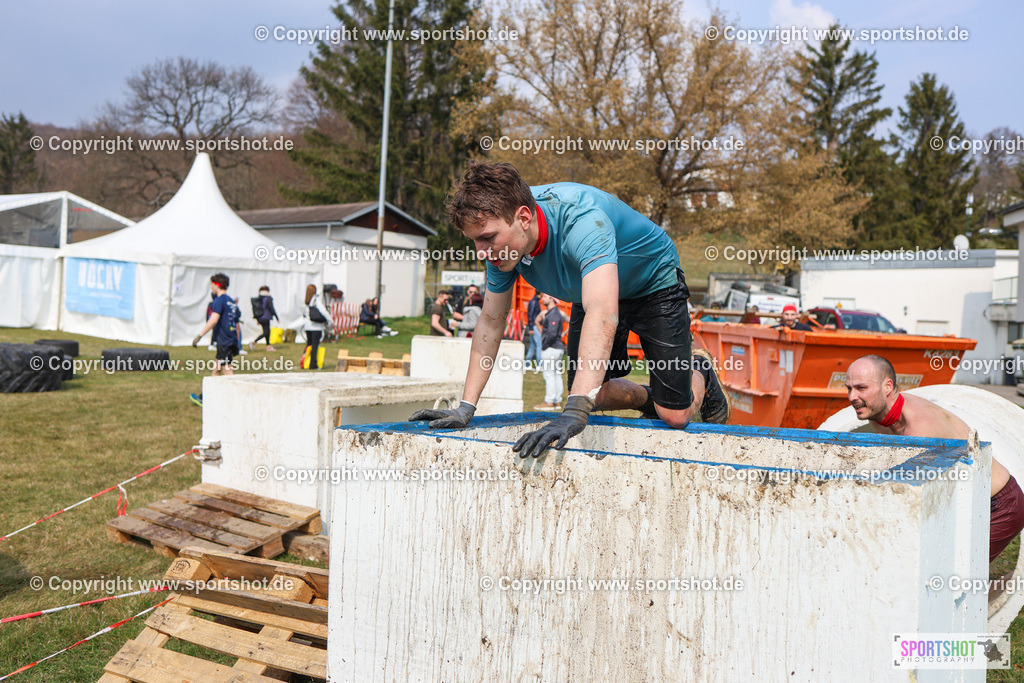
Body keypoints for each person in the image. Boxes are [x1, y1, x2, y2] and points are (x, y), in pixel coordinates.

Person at [409, 161, 731, 458]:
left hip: (652, 282)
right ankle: (652, 399)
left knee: (675, 416)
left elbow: (603, 312)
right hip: (595, 290)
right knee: (594, 395)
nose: (482, 252)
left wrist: (574, 413)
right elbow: (491, 323)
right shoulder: (503, 249)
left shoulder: (581, 220)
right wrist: (466, 407)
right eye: (475, 241)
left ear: (523, 217)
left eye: (488, 238)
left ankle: (699, 371)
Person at [845, 354, 1024, 562]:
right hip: (966, 501)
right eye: (849, 388)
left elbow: (913, 497)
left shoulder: (920, 426)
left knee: (956, 573)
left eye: (861, 388)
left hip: (1001, 505)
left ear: (887, 386)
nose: (852, 396)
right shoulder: (880, 413)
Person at [190, 273, 241, 406]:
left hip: (224, 340)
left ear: (217, 285)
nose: (211, 287)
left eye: (212, 284)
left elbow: (213, 320)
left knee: (227, 371)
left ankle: (237, 399)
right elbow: (236, 320)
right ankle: (206, 397)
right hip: (231, 339)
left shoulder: (219, 300)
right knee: (217, 369)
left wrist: (199, 336)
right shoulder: (231, 301)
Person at [534, 293, 566, 410]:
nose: (542, 299)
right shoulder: (555, 313)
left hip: (551, 348)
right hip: (557, 348)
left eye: (545, 297)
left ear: (552, 298)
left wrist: (545, 345)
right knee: (556, 374)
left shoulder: (553, 314)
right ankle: (557, 401)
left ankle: (549, 401)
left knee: (549, 375)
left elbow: (551, 334)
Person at [303, 284, 333, 370]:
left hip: (307, 327)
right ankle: (313, 364)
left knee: (309, 345)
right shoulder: (316, 300)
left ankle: (304, 362)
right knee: (315, 346)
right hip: (316, 327)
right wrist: (330, 320)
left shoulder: (306, 301)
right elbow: (323, 311)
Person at [252, 286, 279, 351]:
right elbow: (271, 308)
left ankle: (268, 346)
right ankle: (254, 342)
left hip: (260, 317)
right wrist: (276, 317)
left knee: (266, 332)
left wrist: (257, 319)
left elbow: (256, 309)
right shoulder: (268, 298)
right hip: (266, 317)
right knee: (266, 332)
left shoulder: (259, 298)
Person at [523, 291, 543, 371]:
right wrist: (531, 328)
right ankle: (539, 365)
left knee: (533, 345)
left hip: (532, 326)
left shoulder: (533, 301)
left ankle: (527, 364)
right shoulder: (534, 302)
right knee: (539, 345)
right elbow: (530, 315)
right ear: (541, 293)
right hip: (534, 327)